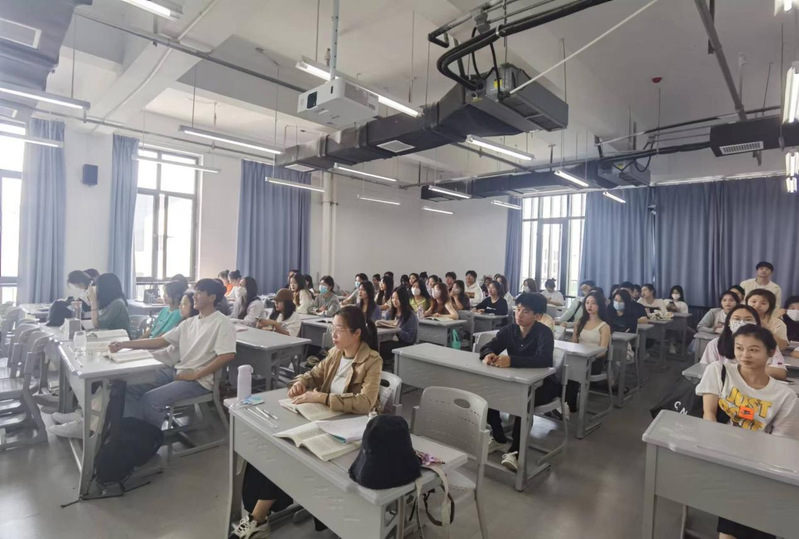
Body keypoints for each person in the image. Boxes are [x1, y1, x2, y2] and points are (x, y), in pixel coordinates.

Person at [234, 306, 382, 539]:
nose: (333, 334)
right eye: (332, 329)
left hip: (349, 430)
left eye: (339, 330)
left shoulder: (372, 360)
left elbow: (365, 402)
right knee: (273, 444)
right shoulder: (336, 353)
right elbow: (313, 374)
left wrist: (322, 397)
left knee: (286, 453)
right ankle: (258, 512)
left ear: (356, 334)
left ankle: (258, 519)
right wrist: (301, 383)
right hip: (324, 419)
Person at [696, 325, 799, 539]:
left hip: (758, 464)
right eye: (739, 348)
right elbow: (709, 414)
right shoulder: (719, 371)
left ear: (771, 352)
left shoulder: (785, 396)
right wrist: (716, 450)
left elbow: (781, 446)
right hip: (719, 452)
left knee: (748, 500)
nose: (745, 355)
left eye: (754, 350)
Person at [109, 279, 236, 428]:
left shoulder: (222, 323)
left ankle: (149, 438)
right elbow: (160, 341)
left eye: (199, 293)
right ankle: (131, 431)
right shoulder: (189, 323)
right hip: (178, 372)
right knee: (129, 386)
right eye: (195, 292)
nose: (194, 296)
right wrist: (123, 344)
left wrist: (195, 375)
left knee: (151, 400)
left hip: (199, 381)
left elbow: (227, 355)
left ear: (212, 297)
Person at [480, 293, 560, 472]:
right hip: (516, 381)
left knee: (523, 401)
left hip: (544, 384)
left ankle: (515, 452)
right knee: (488, 391)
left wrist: (511, 360)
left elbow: (544, 360)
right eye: (517, 309)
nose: (519, 314)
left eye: (526, 311)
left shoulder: (544, 333)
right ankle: (499, 437)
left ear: (537, 316)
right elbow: (488, 346)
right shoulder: (510, 330)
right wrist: (488, 354)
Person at [700, 304, 788, 380]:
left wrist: (736, 371)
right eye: (737, 319)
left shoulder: (768, 342)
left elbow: (780, 372)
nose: (742, 322)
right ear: (729, 322)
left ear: (756, 323)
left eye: (748, 319)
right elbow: (706, 370)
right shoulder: (715, 344)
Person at [566, 292, 610, 412]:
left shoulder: (604, 326)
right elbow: (574, 342)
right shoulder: (579, 323)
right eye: (587, 303)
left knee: (572, 370)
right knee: (564, 367)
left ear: (600, 305)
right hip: (578, 358)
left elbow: (603, 351)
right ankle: (563, 404)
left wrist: (588, 357)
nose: (589, 306)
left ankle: (569, 405)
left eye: (593, 303)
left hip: (594, 361)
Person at [377, 287, 419, 370]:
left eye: (397, 298)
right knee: (375, 345)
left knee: (382, 347)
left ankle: (384, 368)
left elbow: (411, 338)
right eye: (393, 298)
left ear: (403, 299)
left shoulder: (410, 315)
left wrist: (398, 331)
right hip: (390, 339)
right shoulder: (390, 313)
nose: (394, 301)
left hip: (404, 343)